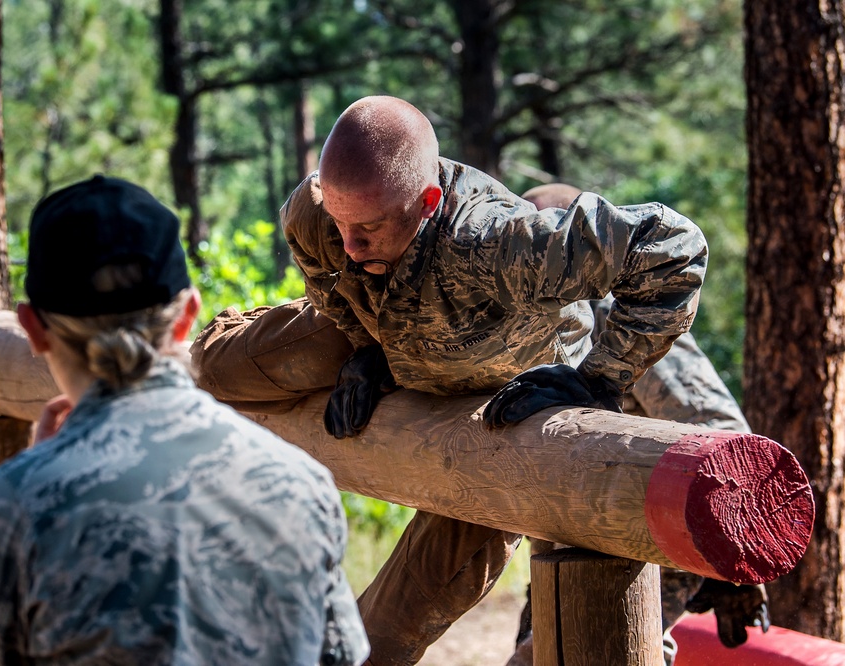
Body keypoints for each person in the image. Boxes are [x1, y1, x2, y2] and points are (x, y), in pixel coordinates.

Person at [190, 95, 730, 664]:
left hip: (498, 399)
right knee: (203, 370)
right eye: (340, 223)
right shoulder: (318, 214)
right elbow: (327, 271)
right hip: (379, 335)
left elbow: (673, 248)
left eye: (369, 228)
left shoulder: (497, 242)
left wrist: (600, 380)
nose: (350, 246)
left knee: (382, 640)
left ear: (427, 203)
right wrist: (367, 348)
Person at [0, 175, 370, 665]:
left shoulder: (13, 505)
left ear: (33, 329)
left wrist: (36, 475)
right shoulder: (301, 485)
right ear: (187, 315)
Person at [503, 183, 768, 666]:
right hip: (572, 537)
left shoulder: (621, 318)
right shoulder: (520, 320)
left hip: (650, 531)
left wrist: (736, 565)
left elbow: (723, 430)